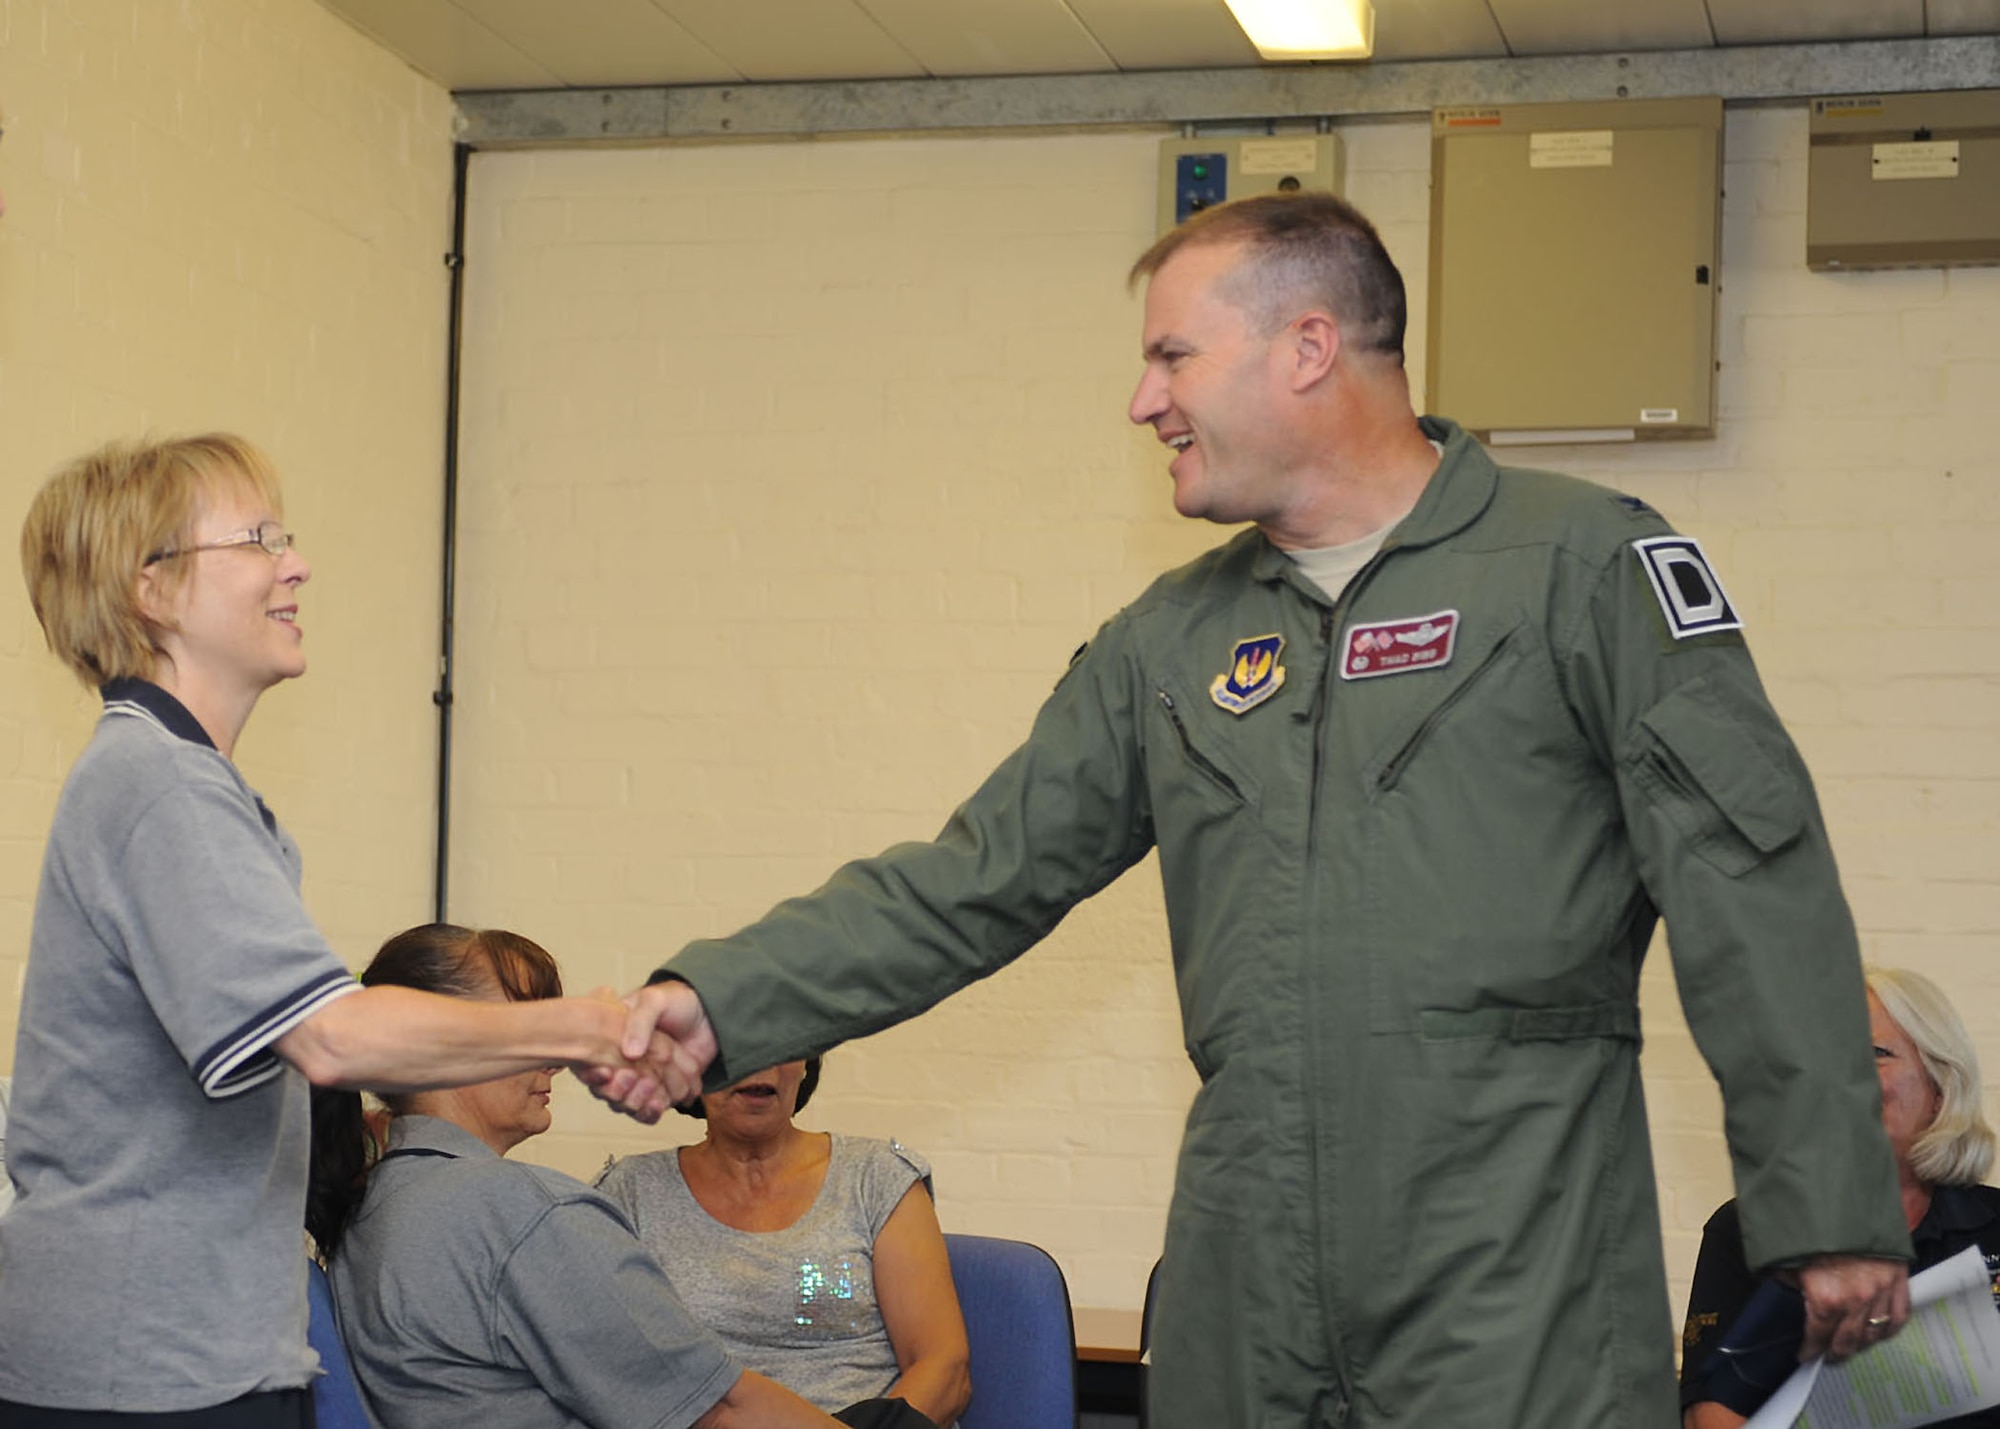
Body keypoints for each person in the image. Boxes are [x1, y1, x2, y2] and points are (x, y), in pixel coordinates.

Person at [590, 192, 1911, 1429]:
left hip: (1515, 1256)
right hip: (1245, 1268)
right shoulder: (1170, 641)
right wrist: (721, 1002)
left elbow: (1754, 885)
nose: (1141, 401)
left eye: (1172, 356)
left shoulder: (1578, 568)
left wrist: (1827, 1202)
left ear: (1308, 347)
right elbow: (969, 880)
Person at [2, 435, 672, 1427]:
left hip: (194, 1356)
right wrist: (584, 1027)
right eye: (258, 539)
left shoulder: (180, 783)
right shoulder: (160, 785)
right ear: (153, 587)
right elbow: (331, 1034)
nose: (297, 564)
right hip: (141, 1371)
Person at [314, 923, 914, 1429]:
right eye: (527, 1025)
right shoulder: (522, 1211)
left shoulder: (373, 1203)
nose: (556, 1058)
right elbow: (718, 1412)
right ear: (435, 1042)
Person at [1680, 966, 2000, 1429]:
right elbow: (1711, 1419)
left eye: (1874, 1053)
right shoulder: (1750, 1229)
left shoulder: (1993, 1225)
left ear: (1940, 1089)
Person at [598, 1059, 970, 1426]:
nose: (761, 1061)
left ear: (806, 1062)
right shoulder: (629, 1193)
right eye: (736, 1044)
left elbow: (945, 1371)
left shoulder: (877, 1177)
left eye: (781, 1043)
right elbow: (606, 1375)